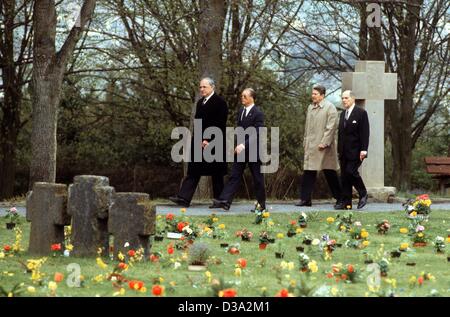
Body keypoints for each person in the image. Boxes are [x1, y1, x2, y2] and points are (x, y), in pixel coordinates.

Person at [169, 77, 228, 207]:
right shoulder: (200, 103)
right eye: (200, 87)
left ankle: (221, 200)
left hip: (214, 142)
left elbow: (219, 123)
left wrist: (209, 139)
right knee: (194, 170)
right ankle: (184, 198)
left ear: (212, 87)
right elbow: (198, 123)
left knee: (216, 173)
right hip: (199, 142)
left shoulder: (220, 102)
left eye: (204, 87)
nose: (201, 89)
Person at [212, 88, 266, 211]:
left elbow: (257, 132)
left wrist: (244, 145)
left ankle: (261, 206)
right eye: (242, 96)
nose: (242, 98)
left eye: (245, 96)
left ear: (252, 98)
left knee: (257, 179)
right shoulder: (241, 110)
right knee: (234, 176)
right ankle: (225, 201)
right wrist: (236, 145)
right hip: (241, 150)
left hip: (253, 151)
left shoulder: (258, 113)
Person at [296, 85, 342, 208]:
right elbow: (307, 127)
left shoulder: (330, 108)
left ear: (322, 95)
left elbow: (331, 127)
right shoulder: (310, 108)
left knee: (329, 172)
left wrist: (324, 142)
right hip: (311, 146)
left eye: (315, 94)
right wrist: (305, 142)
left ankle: (340, 199)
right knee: (308, 172)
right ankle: (305, 199)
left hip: (324, 147)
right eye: (313, 93)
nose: (313, 96)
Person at [337, 90, 369, 209]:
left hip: (356, 151)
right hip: (343, 152)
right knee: (345, 176)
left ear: (353, 99)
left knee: (351, 172)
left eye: (346, 98)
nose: (344, 100)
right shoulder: (342, 114)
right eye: (343, 98)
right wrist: (339, 150)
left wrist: (364, 150)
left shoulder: (361, 113)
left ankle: (363, 193)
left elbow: (365, 133)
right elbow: (341, 134)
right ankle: (346, 203)